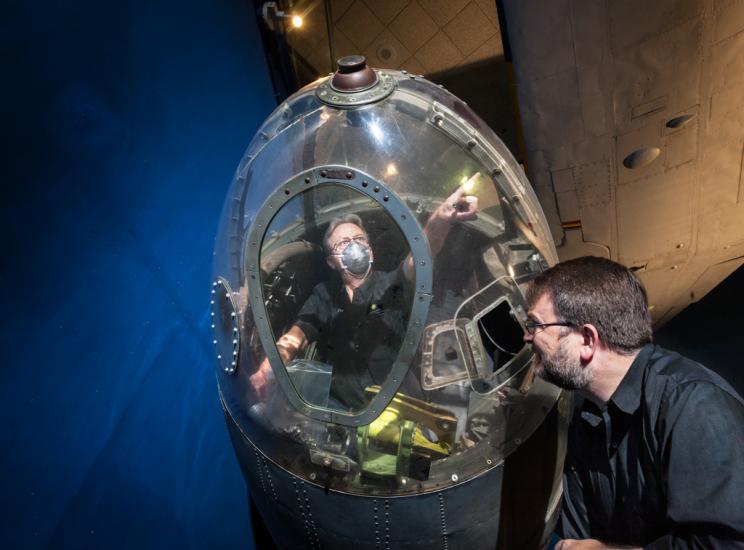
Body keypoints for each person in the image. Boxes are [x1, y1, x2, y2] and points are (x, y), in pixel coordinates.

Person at [522, 256, 744, 549]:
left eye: (536, 325)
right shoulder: (588, 414)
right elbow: (575, 533)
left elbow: (727, 544)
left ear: (587, 339)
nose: (527, 337)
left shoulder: (695, 405)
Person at [250, 186, 477, 410]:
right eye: (343, 243)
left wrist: (441, 218)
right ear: (332, 261)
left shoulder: (391, 284)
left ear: (370, 250)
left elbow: (420, 257)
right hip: (341, 411)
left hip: (400, 407)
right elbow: (297, 335)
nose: (354, 246)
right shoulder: (324, 296)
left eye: (359, 239)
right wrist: (268, 369)